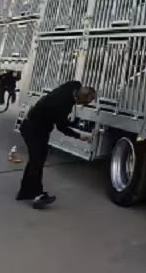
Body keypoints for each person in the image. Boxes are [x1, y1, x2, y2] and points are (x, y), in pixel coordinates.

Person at [16, 81, 96, 209]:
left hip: (40, 128)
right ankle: (37, 195)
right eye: (84, 103)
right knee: (37, 160)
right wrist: (78, 136)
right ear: (80, 97)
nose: (82, 105)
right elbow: (61, 126)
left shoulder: (74, 85)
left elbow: (61, 121)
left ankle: (24, 192)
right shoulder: (61, 104)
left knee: (36, 160)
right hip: (33, 129)